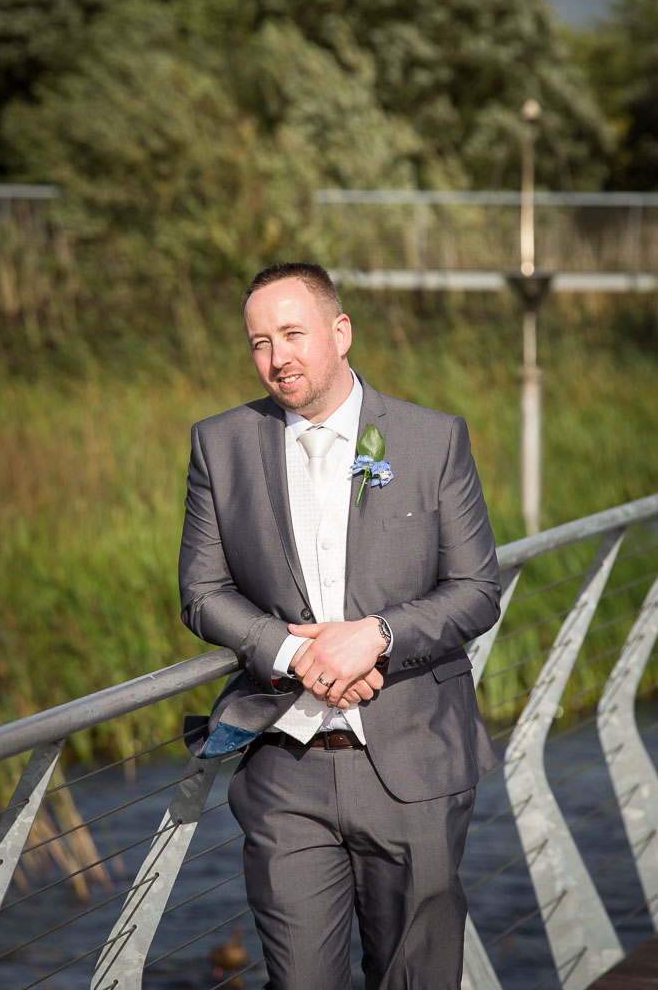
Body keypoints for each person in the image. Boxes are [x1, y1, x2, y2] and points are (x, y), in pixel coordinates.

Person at [178, 262, 501, 990]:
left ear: (340, 331)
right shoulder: (219, 444)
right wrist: (293, 651)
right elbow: (201, 593)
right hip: (285, 767)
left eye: (292, 334)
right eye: (259, 342)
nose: (276, 358)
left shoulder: (431, 438)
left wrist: (375, 634)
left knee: (413, 978)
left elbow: (477, 590)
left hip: (412, 760)